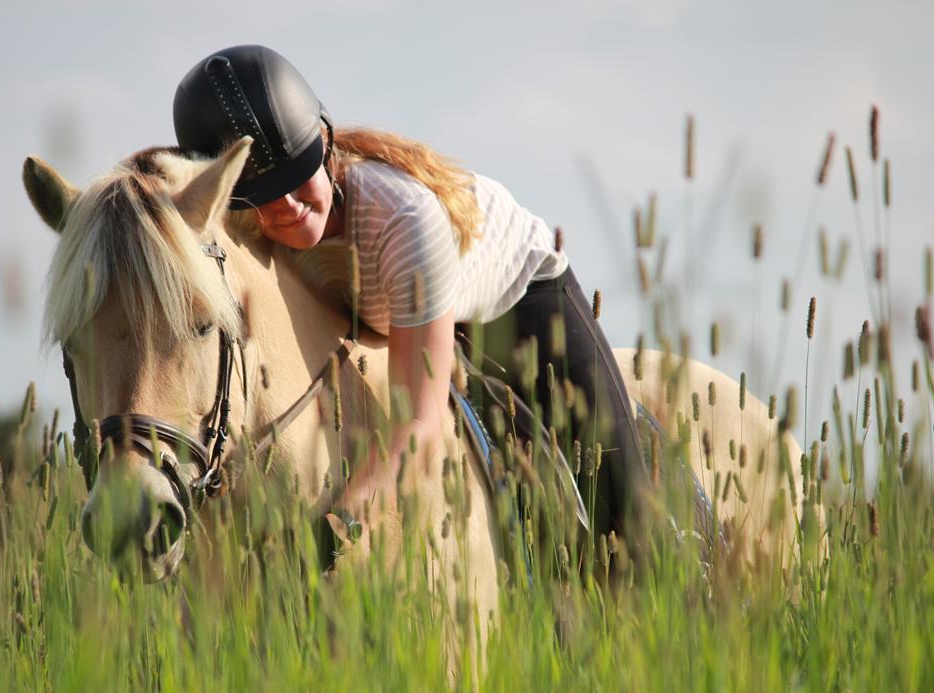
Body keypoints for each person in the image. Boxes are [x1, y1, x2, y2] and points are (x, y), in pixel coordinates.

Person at [172, 44, 649, 557]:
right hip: (392, 308)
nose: (287, 206)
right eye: (261, 195)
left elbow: (417, 427)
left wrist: (341, 524)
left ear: (325, 148)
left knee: (626, 500)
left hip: (519, 297)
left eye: (296, 176)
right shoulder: (244, 232)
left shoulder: (402, 219)